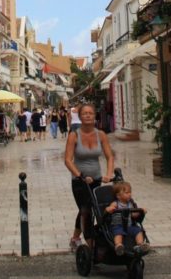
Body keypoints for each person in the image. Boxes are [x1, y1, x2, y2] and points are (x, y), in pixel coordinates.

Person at [64, 103, 115, 252]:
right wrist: (80, 175)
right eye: (84, 113)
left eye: (90, 113)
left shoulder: (101, 135)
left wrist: (109, 174)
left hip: (97, 179)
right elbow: (68, 160)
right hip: (80, 181)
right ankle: (90, 243)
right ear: (80, 117)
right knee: (85, 210)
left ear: (95, 116)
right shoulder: (74, 135)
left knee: (98, 209)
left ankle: (75, 238)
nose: (87, 115)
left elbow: (109, 156)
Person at [104, 181, 150, 255]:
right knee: (118, 233)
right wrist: (110, 209)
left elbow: (133, 215)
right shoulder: (116, 203)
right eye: (126, 192)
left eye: (130, 192)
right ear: (118, 196)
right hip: (117, 225)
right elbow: (108, 209)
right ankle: (118, 245)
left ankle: (140, 245)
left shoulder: (130, 204)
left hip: (129, 225)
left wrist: (140, 211)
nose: (129, 194)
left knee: (138, 230)